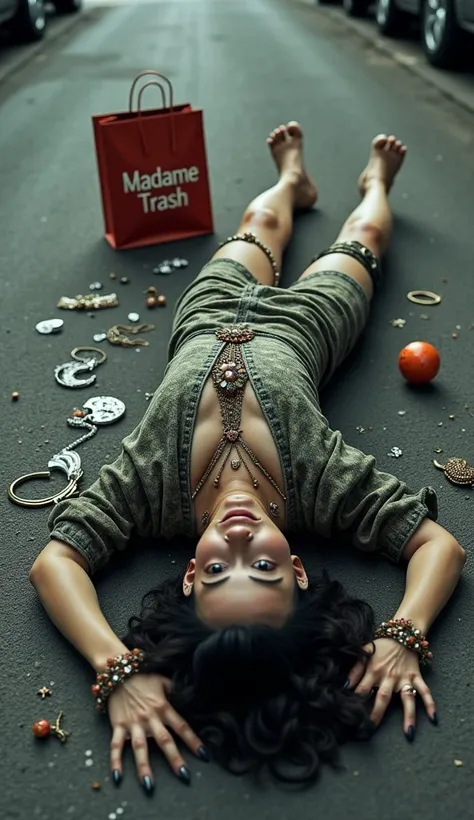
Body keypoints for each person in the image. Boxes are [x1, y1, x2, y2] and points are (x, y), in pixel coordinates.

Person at [29, 123, 466, 790]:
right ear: (295, 568)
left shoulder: (151, 491)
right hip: (307, 326)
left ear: (187, 578)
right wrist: (404, 633)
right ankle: (375, 184)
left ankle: (291, 181)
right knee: (366, 241)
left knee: (261, 219)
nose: (235, 541)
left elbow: (54, 563)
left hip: (204, 316)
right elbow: (440, 548)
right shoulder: (322, 486)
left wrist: (114, 667)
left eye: (216, 572)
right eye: (261, 565)